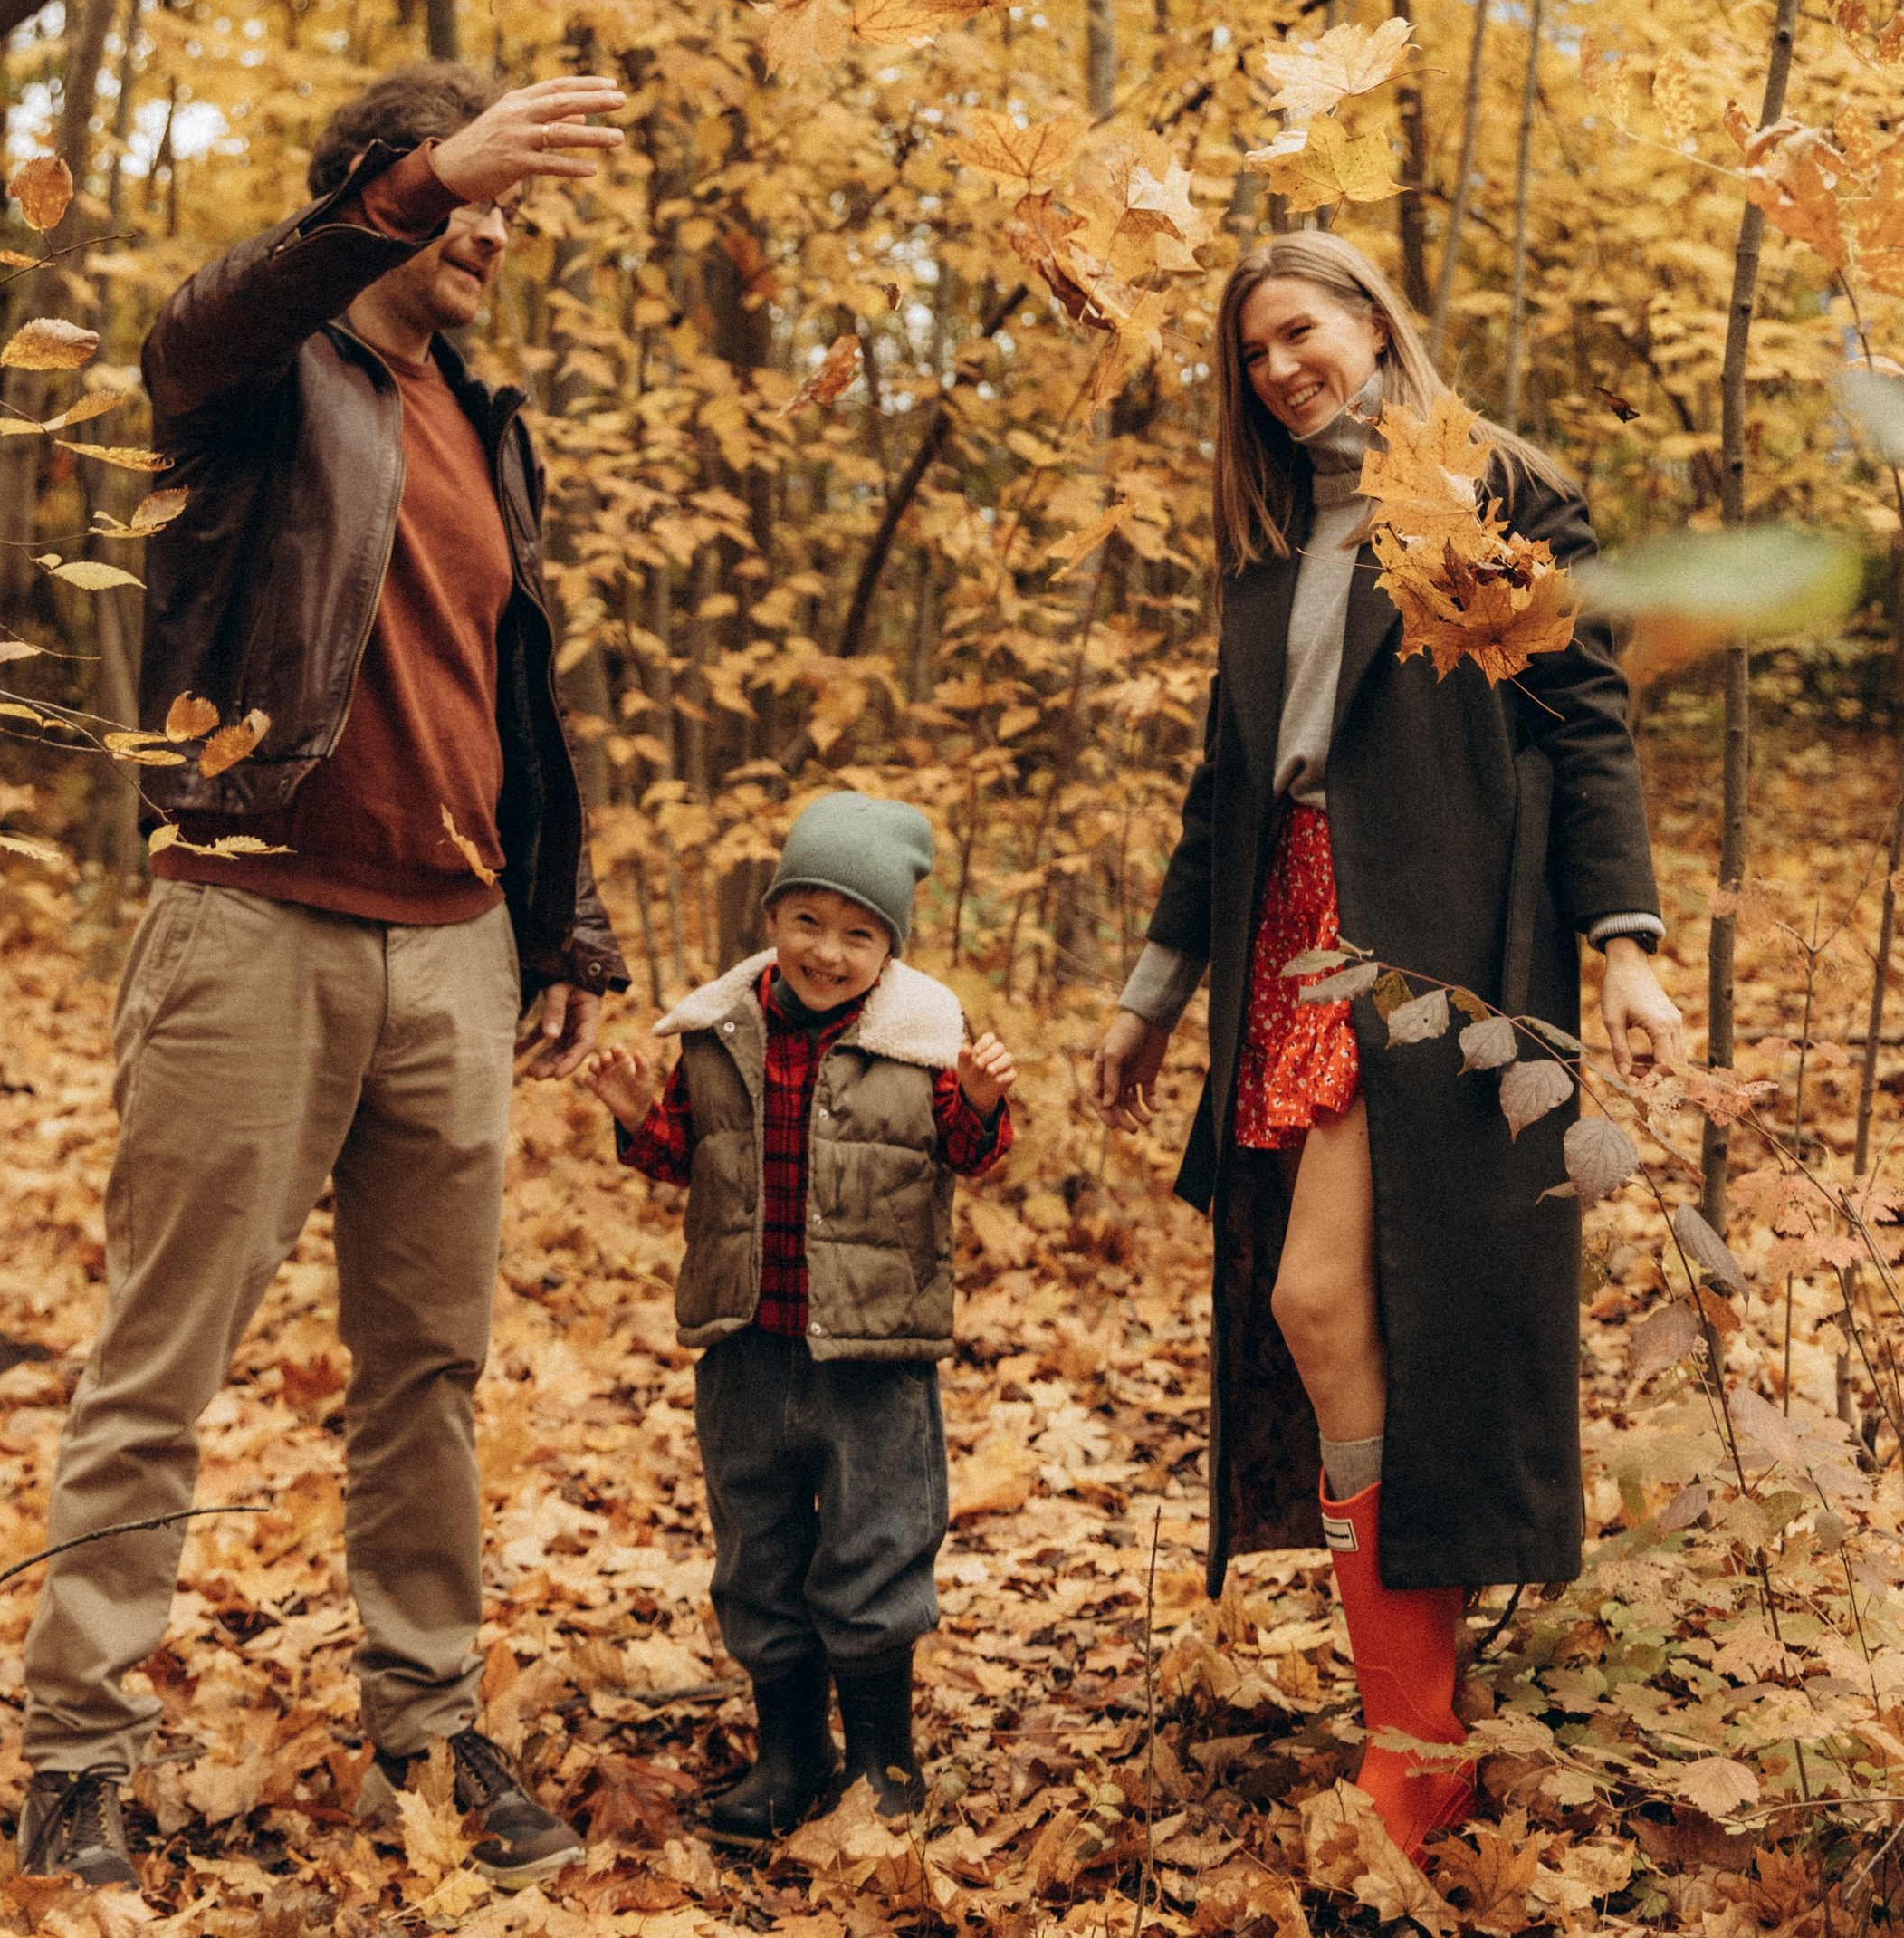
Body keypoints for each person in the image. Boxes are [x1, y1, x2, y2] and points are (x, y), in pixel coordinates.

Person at [17, 61, 634, 1893]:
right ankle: (76, 1758)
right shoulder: (258, 378)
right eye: (470, 206)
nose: (494, 240)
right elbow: (200, 319)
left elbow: (509, 696)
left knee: (427, 1372)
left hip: (454, 951)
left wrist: (563, 928)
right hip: (251, 920)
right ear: (381, 190)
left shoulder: (487, 426)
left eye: (512, 218)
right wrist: (432, 174)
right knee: (163, 1359)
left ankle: (425, 1730)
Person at [1088, 234, 1685, 1860]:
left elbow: (1584, 723)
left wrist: (1625, 947)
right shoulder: (1272, 541)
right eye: (1253, 353)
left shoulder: (1490, 493)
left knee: (1329, 1299)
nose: (1282, 369)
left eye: (1302, 331)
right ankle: (1413, 1721)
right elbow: (1229, 784)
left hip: (1429, 935)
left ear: (1369, 319)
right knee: (1347, 1319)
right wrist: (1150, 998)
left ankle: (1418, 1735)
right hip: (1287, 929)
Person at [586, 792, 1018, 1839]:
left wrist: (979, 1099)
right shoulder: (718, 1034)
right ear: (772, 917)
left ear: (889, 950)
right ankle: (790, 1753)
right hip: (745, 1344)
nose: (828, 951)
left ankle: (880, 1758)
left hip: (874, 1354)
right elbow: (687, 1157)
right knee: (758, 1550)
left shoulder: (923, 1044)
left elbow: (970, 1155)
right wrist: (637, 1115)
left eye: (858, 935)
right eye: (808, 921)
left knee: (875, 1544)